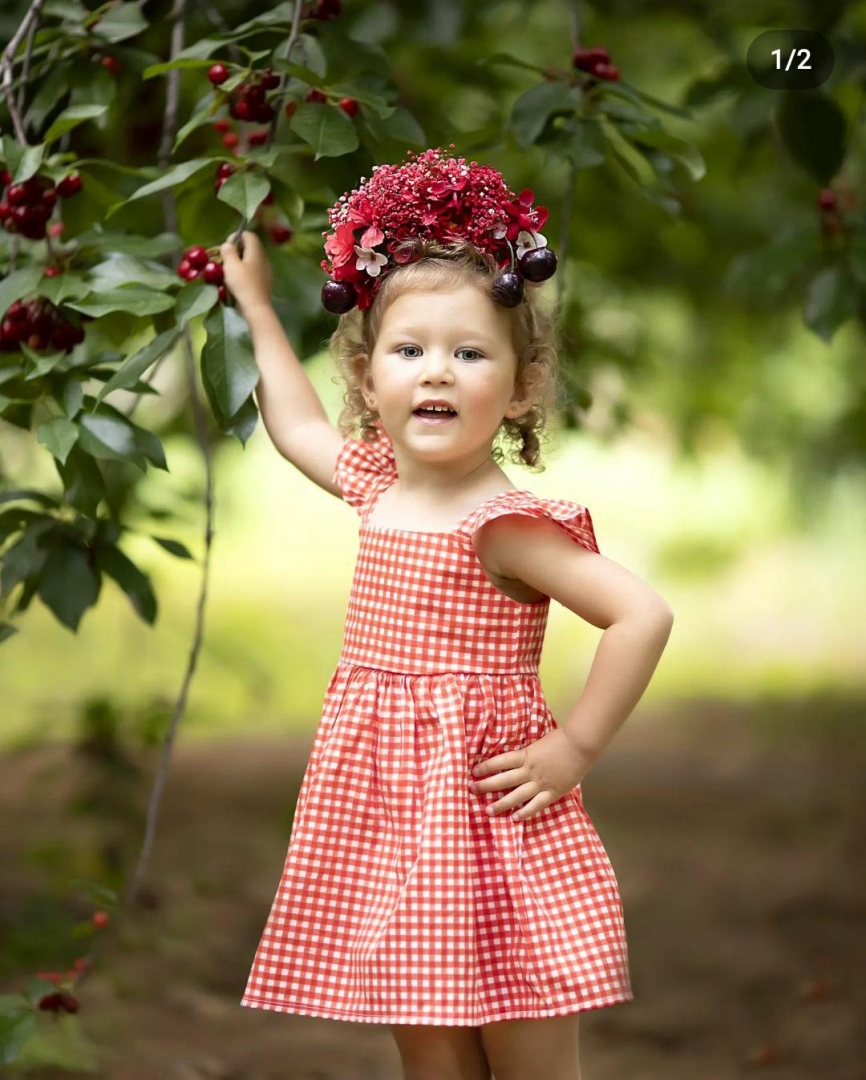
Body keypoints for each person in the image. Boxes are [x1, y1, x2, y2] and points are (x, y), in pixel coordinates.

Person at [220, 146, 674, 1080]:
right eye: (409, 350)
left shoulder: (503, 526)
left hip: (488, 816)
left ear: (517, 387)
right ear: (369, 377)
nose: (436, 372)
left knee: (528, 1055)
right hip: (397, 823)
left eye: (469, 354)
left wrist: (575, 748)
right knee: (432, 1057)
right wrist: (260, 310)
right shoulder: (378, 483)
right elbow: (298, 427)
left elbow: (640, 614)